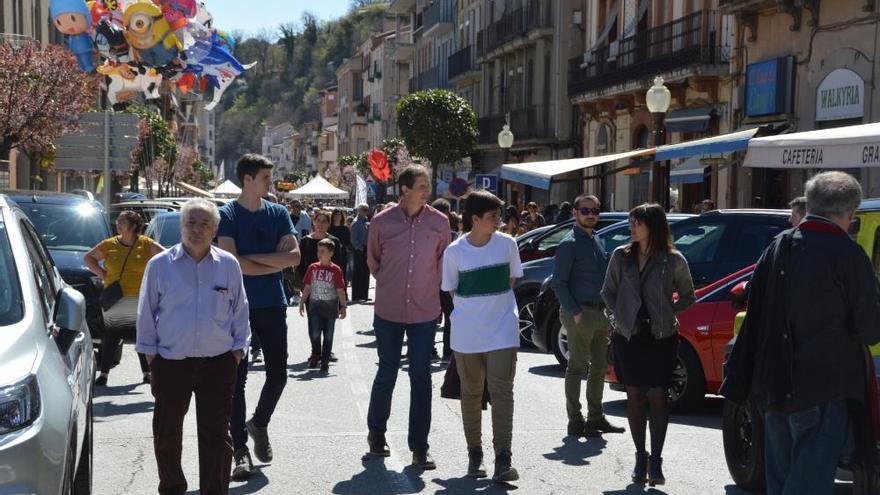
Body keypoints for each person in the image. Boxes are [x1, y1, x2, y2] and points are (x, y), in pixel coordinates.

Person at [721, 171, 880, 495]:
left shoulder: (778, 246)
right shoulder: (848, 254)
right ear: (849, 213)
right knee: (808, 483)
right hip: (823, 387)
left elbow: (755, 306)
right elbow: (869, 330)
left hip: (774, 386)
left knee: (781, 480)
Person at [136, 199, 250, 495]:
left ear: (214, 230)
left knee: (215, 435)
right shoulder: (160, 265)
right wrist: (152, 358)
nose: (196, 230)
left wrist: (237, 352)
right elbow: (146, 312)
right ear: (181, 227)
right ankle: (173, 487)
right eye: (190, 223)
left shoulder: (228, 264)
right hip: (171, 361)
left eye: (204, 224)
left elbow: (240, 309)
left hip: (218, 361)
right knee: (167, 434)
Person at [218, 154, 300, 481]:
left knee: (279, 373)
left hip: (272, 302)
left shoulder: (278, 213)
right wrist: (273, 261)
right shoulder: (227, 215)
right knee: (237, 380)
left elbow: (293, 256)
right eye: (266, 178)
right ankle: (240, 449)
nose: (271, 183)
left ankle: (259, 423)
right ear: (248, 180)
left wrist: (250, 258)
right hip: (237, 306)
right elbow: (230, 263)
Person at [601, 203, 695, 487]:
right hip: (629, 337)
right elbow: (608, 292)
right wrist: (620, 316)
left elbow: (688, 296)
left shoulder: (672, 259)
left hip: (661, 337)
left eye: (637, 223)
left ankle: (656, 459)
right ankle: (640, 457)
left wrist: (666, 312)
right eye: (631, 223)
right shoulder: (622, 256)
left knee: (658, 396)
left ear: (653, 226)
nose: (632, 228)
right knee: (635, 396)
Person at [365, 165, 450, 469]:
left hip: (425, 311)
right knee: (386, 372)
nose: (428, 190)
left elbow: (442, 262)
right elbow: (373, 262)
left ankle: (420, 447)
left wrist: (430, 290)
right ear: (404, 190)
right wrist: (391, 282)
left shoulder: (440, 223)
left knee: (421, 377)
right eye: (422, 185)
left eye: (428, 185)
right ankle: (376, 433)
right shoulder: (381, 222)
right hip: (388, 310)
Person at [442, 190, 523, 482]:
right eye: (493, 216)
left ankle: (503, 458)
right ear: (475, 219)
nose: (499, 221)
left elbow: (511, 280)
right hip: (467, 334)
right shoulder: (454, 252)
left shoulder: (508, 244)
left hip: (503, 330)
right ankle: (474, 454)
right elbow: (451, 291)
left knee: (502, 392)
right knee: (472, 393)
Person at [551, 195, 625, 438]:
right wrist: (575, 312)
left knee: (600, 367)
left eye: (595, 210)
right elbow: (559, 283)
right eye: (585, 210)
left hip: (600, 312)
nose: (591, 214)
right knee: (577, 367)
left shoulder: (597, 240)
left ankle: (595, 417)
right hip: (579, 314)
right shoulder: (569, 244)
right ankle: (575, 420)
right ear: (575, 213)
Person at [85, 210, 164, 386]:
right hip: (115, 298)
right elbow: (88, 258)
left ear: (133, 226)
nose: (118, 224)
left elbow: (167, 259)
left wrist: (157, 282)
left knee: (141, 336)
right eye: (118, 221)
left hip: (140, 299)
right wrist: (103, 274)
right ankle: (104, 374)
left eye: (122, 222)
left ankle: (147, 373)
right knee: (111, 335)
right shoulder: (109, 244)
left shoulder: (145, 244)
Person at [299, 238, 348, 371]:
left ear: (331, 253)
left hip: (330, 309)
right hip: (314, 307)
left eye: (323, 251)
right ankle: (316, 354)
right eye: (318, 251)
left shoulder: (336, 270)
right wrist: (302, 302)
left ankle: (325, 358)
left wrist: (343, 307)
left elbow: (340, 290)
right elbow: (308, 287)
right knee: (314, 333)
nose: (319, 253)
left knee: (328, 335)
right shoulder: (313, 267)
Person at [350, 204, 371, 302]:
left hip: (365, 249)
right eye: (364, 210)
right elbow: (353, 239)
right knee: (359, 273)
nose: (366, 211)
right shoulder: (356, 222)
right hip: (360, 250)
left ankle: (363, 295)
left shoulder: (364, 221)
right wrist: (360, 248)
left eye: (367, 210)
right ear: (359, 210)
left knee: (364, 273)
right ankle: (358, 295)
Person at [329, 208, 351, 297]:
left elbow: (348, 241)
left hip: (342, 254)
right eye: (336, 215)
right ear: (333, 217)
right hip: (331, 254)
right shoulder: (329, 228)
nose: (337, 217)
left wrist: (341, 244)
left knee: (342, 274)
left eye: (339, 215)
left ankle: (344, 293)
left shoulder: (345, 228)